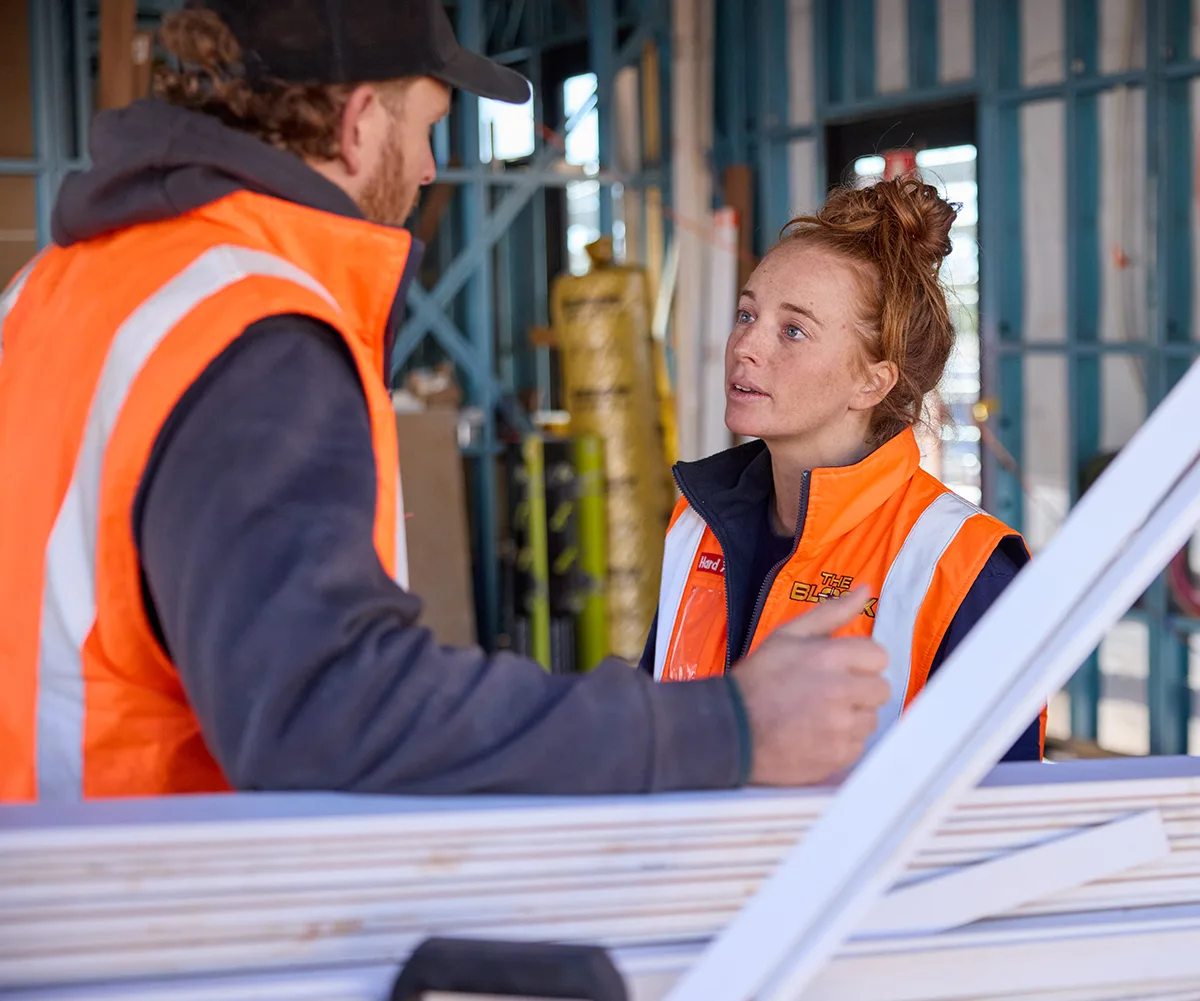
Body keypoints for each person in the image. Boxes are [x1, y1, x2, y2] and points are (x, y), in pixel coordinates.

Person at [0, 0, 892, 803]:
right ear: (356, 126)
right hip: (149, 909)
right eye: (426, 126)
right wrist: (721, 729)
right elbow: (324, 708)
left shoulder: (55, 289)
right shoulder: (253, 331)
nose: (429, 168)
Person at [640, 177, 1045, 761]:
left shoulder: (963, 568)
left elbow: (1000, 820)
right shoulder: (696, 524)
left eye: (793, 330)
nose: (745, 346)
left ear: (871, 381)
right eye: (746, 314)